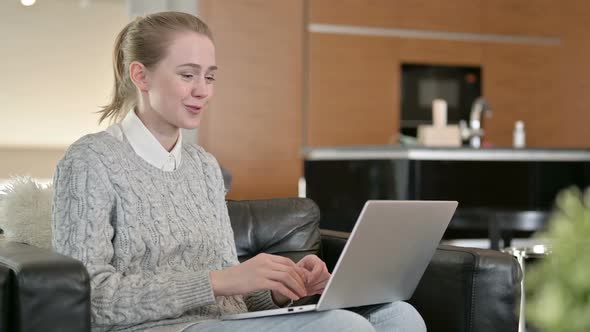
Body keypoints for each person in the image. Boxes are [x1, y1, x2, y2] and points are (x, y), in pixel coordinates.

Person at [51, 11, 426, 332]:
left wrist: (283, 288)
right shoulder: (90, 161)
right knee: (342, 327)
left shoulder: (204, 166)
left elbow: (230, 285)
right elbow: (91, 299)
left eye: (210, 77)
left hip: (226, 323)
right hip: (159, 328)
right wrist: (216, 282)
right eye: (187, 75)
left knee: (398, 317)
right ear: (141, 75)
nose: (203, 91)